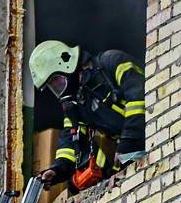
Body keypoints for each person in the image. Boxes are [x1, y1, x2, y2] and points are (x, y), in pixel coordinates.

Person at [28, 40, 147, 192]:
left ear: (68, 65)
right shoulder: (75, 107)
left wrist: (129, 141)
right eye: (53, 87)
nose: (59, 90)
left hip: (157, 128)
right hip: (133, 150)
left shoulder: (112, 62)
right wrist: (57, 170)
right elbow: (70, 145)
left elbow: (140, 97)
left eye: (58, 82)